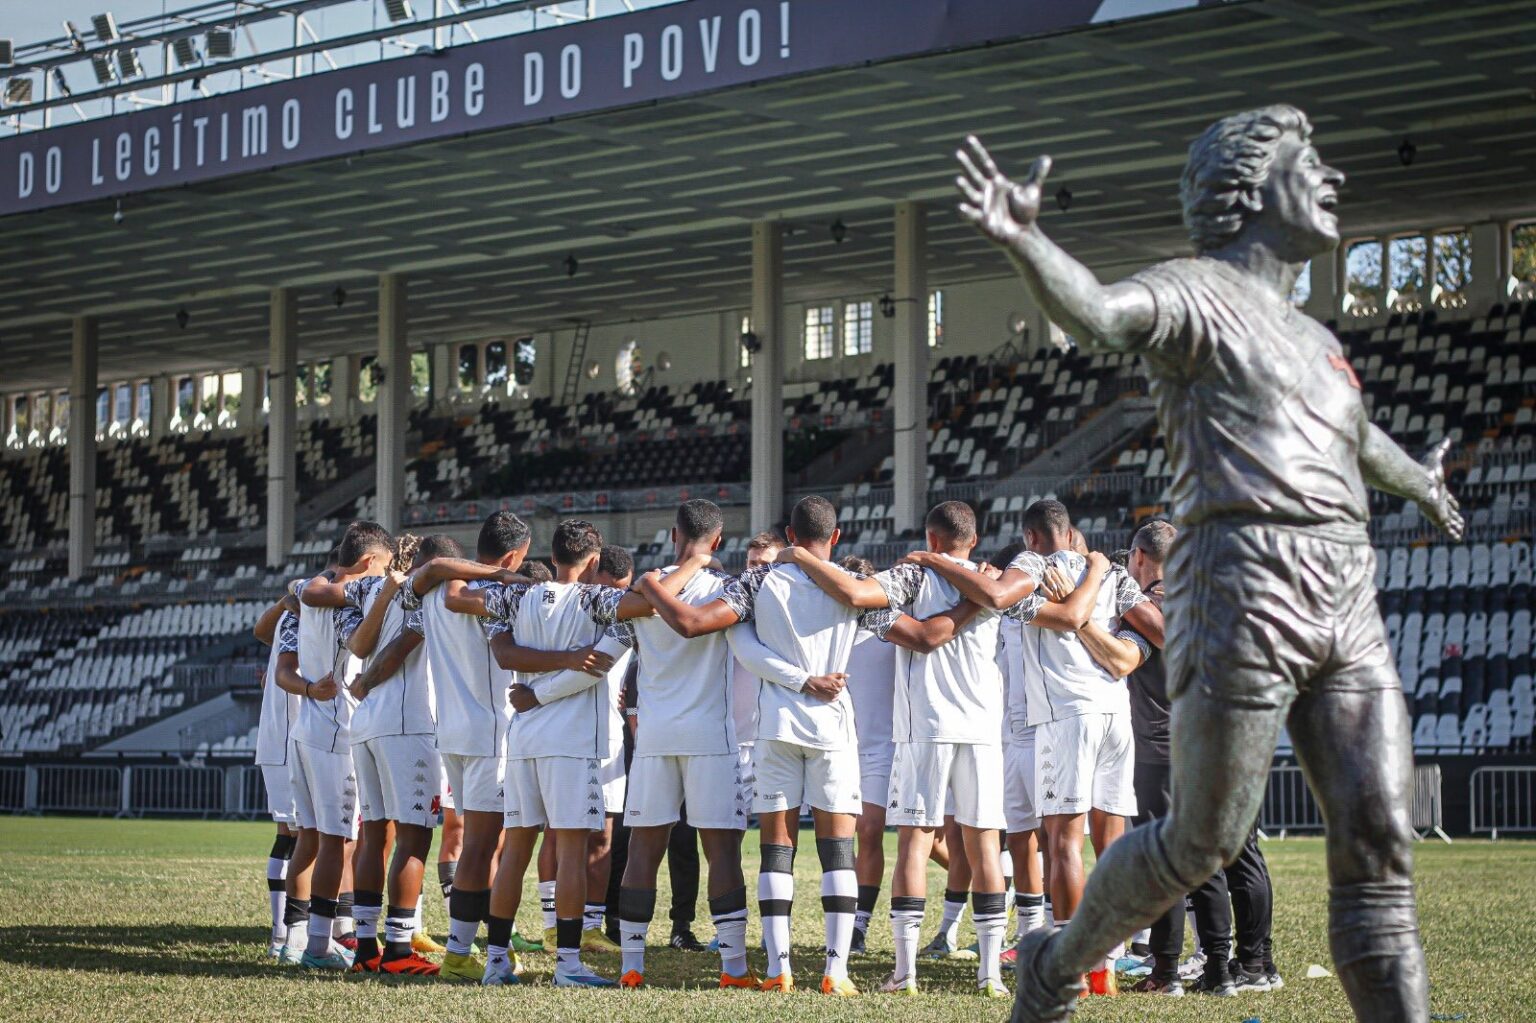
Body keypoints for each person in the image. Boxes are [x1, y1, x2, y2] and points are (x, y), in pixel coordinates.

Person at [957, 107, 1462, 1023]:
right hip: (1242, 582)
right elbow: (1104, 315)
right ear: (1246, 191)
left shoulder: (1317, 340)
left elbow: (1359, 439)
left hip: (1346, 592)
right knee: (1203, 838)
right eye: (1310, 164)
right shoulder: (1194, 292)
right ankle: (1055, 964)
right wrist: (1028, 240)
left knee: (1381, 840)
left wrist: (1418, 483)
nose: (1332, 180)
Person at [641, 496, 977, 996]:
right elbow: (925, 636)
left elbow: (717, 631)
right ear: (835, 538)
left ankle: (779, 969)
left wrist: (651, 584)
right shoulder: (854, 589)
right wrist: (980, 599)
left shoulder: (758, 581)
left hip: (774, 727)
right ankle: (835, 971)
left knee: (777, 850)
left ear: (789, 536)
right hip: (832, 732)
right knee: (837, 852)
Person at [907, 499, 1158, 996]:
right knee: (1108, 841)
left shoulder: (1031, 566)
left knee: (1061, 844)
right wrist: (1098, 580)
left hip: (1062, 718)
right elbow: (1157, 631)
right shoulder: (1107, 573)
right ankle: (1106, 960)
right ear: (1070, 534)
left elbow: (998, 597)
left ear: (1030, 537)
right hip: (1114, 715)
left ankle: (1068, 966)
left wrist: (934, 560)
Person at [779, 501, 1008, 997]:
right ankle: (990, 975)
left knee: (915, 842)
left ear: (930, 536)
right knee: (984, 844)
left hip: (925, 726)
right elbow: (1009, 604)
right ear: (974, 537)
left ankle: (905, 973)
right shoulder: (996, 583)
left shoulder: (914, 576)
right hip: (984, 728)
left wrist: (800, 557)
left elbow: (856, 593)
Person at [598, 501, 807, 991]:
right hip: (711, 739)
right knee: (723, 853)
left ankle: (632, 966)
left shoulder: (646, 589)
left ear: (673, 535)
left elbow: (603, 653)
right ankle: (733, 968)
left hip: (652, 737)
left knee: (643, 853)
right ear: (717, 542)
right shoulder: (729, 590)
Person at [479, 519, 628, 988]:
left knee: (516, 851)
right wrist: (562, 668)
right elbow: (597, 664)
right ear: (594, 559)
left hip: (522, 737)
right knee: (569, 852)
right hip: (571, 742)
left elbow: (504, 654)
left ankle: (496, 961)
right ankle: (567, 963)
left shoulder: (517, 596)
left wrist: (534, 694)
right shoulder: (599, 600)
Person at [403, 513, 533, 982]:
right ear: (514, 555)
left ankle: (493, 942)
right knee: (482, 846)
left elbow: (436, 574)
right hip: (489, 734)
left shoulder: (437, 592)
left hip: (454, 733)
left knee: (487, 844)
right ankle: (460, 953)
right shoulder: (490, 595)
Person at [285, 522, 395, 970]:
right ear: (370, 562)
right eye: (384, 566)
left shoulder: (316, 586)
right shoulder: (350, 600)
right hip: (335, 731)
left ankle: (291, 938)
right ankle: (316, 945)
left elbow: (302, 590)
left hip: (306, 729)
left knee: (311, 838)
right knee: (336, 842)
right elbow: (360, 643)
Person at [340, 533, 451, 976]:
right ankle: (400, 951)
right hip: (406, 722)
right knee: (414, 836)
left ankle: (366, 948)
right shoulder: (427, 593)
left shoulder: (372, 588)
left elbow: (359, 643)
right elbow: (403, 646)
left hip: (366, 723)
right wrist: (368, 680)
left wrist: (364, 685)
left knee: (375, 836)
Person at [252, 589, 302, 958]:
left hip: (286, 737)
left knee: (295, 835)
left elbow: (260, 632)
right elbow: (261, 632)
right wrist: (286, 603)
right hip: (291, 738)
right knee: (294, 834)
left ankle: (288, 934)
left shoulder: (297, 612)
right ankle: (285, 935)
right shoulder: (300, 614)